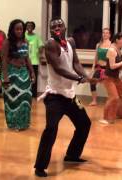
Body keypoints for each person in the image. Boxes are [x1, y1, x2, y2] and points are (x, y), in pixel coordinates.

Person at [34, 17, 94, 177]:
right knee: (51, 129)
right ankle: (40, 167)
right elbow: (59, 68)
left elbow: (76, 63)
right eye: (53, 26)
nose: (57, 27)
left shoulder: (71, 42)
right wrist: (79, 78)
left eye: (60, 25)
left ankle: (72, 155)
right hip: (55, 97)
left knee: (85, 123)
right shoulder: (50, 44)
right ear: (50, 30)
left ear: (65, 27)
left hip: (70, 96)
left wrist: (85, 76)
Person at [1, 19, 35, 130]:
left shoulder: (25, 41)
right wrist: (5, 77)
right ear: (12, 30)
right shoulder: (7, 42)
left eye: (21, 29)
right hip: (11, 73)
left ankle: (24, 123)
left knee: (26, 98)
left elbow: (27, 58)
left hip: (24, 74)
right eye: (17, 29)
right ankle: (13, 123)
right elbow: (4, 60)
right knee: (12, 100)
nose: (19, 31)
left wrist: (32, 72)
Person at [99, 32, 122, 124]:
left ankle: (120, 114)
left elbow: (120, 67)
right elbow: (112, 66)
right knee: (114, 97)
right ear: (117, 40)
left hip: (115, 78)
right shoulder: (112, 50)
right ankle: (106, 118)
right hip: (108, 78)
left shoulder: (119, 50)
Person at [89, 28, 111, 106]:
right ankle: (94, 100)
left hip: (108, 69)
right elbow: (96, 57)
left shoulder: (112, 45)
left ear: (109, 35)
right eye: (103, 33)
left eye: (107, 33)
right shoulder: (98, 45)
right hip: (99, 67)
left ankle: (110, 100)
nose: (105, 34)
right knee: (92, 82)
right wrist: (92, 68)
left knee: (109, 85)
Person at [25, 21, 44, 98]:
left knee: (33, 79)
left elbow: (41, 46)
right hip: (24, 61)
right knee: (25, 78)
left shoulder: (37, 37)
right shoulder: (23, 36)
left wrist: (40, 51)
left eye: (31, 26)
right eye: (28, 26)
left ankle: (33, 95)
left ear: (33, 27)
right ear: (26, 27)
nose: (29, 27)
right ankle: (25, 93)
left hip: (34, 61)